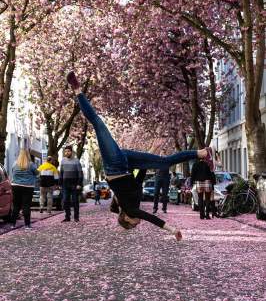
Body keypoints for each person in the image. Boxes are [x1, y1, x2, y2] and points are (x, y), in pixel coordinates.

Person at [67, 71, 213, 241]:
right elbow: (138, 181)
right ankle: (202, 153)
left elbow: (152, 219)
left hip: (114, 165)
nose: (138, 223)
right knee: (164, 162)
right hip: (127, 165)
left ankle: (77, 89)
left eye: (134, 224)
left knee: (98, 124)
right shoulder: (133, 203)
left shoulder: (130, 210)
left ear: (127, 219)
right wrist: (148, 161)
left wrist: (172, 230)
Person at [10, 149, 39, 229]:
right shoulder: (31, 164)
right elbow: (37, 173)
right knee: (26, 205)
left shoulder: (15, 164)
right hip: (28, 187)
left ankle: (13, 224)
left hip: (15, 186)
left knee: (16, 205)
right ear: (28, 155)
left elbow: (13, 172)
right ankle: (27, 225)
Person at [59, 145, 83, 222]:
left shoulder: (76, 161)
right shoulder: (62, 161)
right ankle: (67, 217)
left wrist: (79, 183)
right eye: (65, 151)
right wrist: (60, 184)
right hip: (65, 184)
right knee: (65, 201)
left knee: (75, 201)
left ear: (71, 152)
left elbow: (80, 173)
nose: (67, 153)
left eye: (68, 151)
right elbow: (61, 173)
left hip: (75, 184)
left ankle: (76, 217)